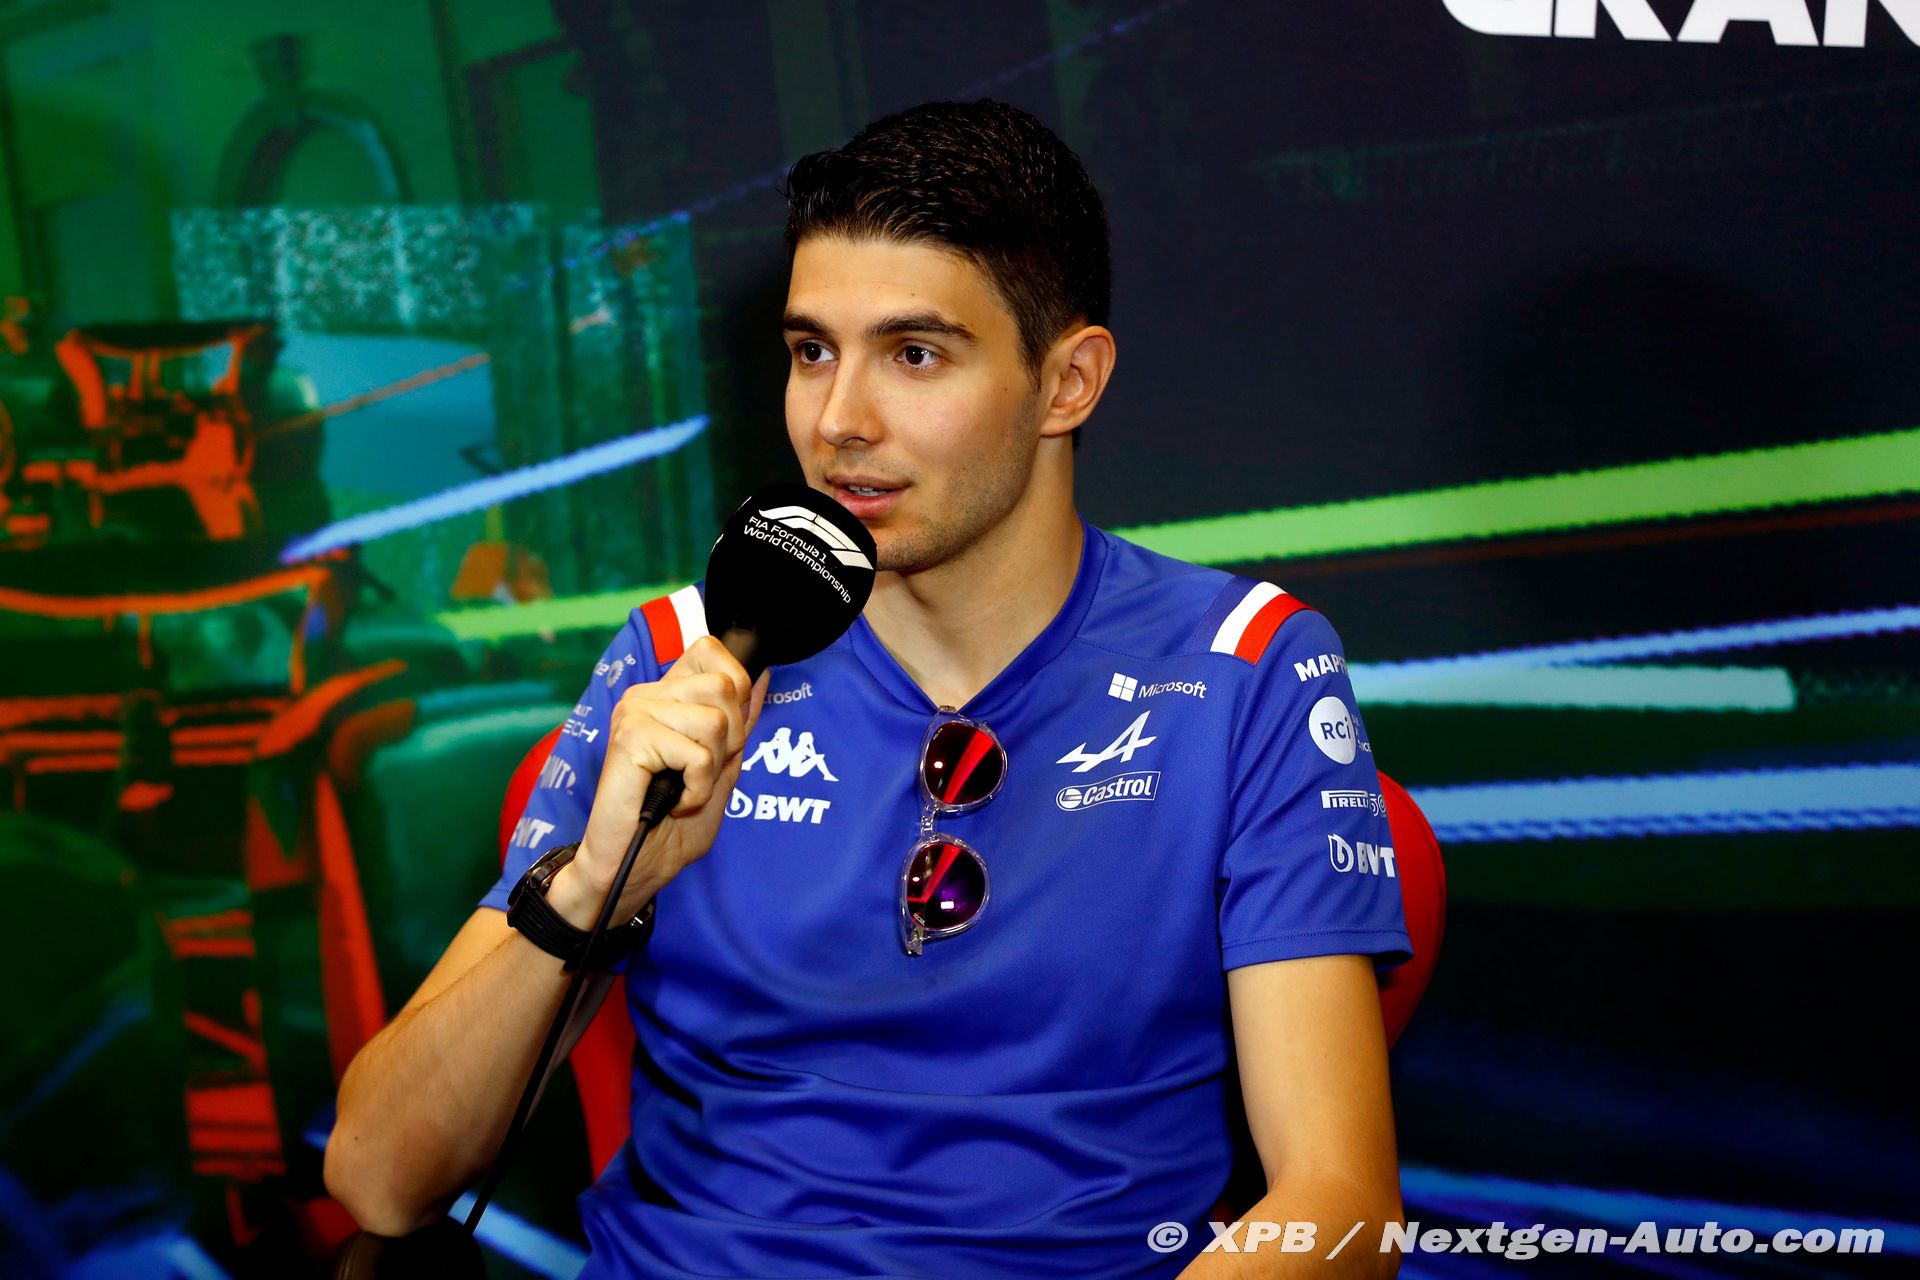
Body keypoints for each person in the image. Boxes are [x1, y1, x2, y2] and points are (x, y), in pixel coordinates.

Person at [327, 99, 1412, 1278]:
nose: (838, 421)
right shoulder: (681, 654)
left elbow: (1339, 1203)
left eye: (914, 354)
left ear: (1068, 381)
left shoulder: (1248, 664)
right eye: (811, 352)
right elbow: (380, 1177)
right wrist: (595, 886)